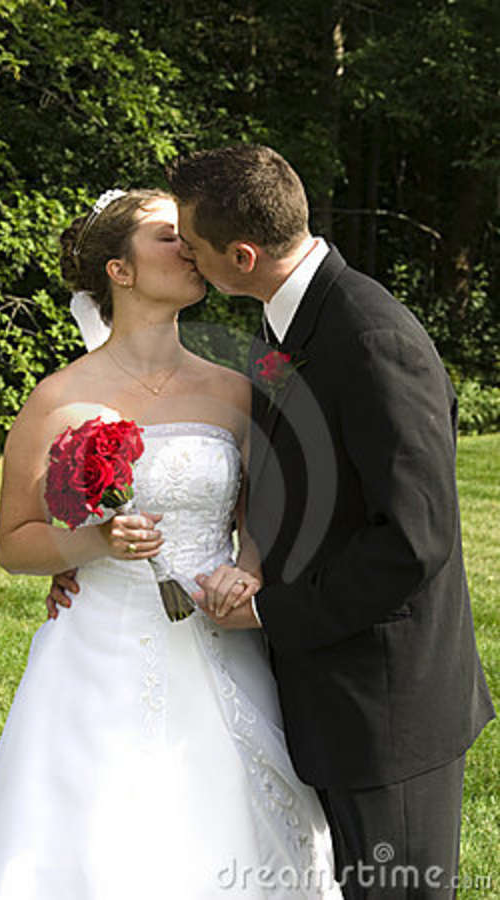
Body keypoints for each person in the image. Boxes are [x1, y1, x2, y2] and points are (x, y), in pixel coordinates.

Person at [47, 145, 495, 899]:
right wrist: (86, 550)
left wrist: (267, 606)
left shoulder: (372, 339)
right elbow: (283, 476)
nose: (183, 250)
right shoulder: (282, 322)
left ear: (242, 254)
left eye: (190, 239)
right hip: (322, 689)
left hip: (387, 705)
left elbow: (415, 541)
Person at [0, 187, 342, 899]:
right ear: (120, 270)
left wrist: (248, 572)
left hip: (217, 635)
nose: (189, 245)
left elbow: (259, 519)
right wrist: (93, 543)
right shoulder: (57, 399)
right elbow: (14, 543)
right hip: (94, 654)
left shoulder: (238, 388)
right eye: (168, 236)